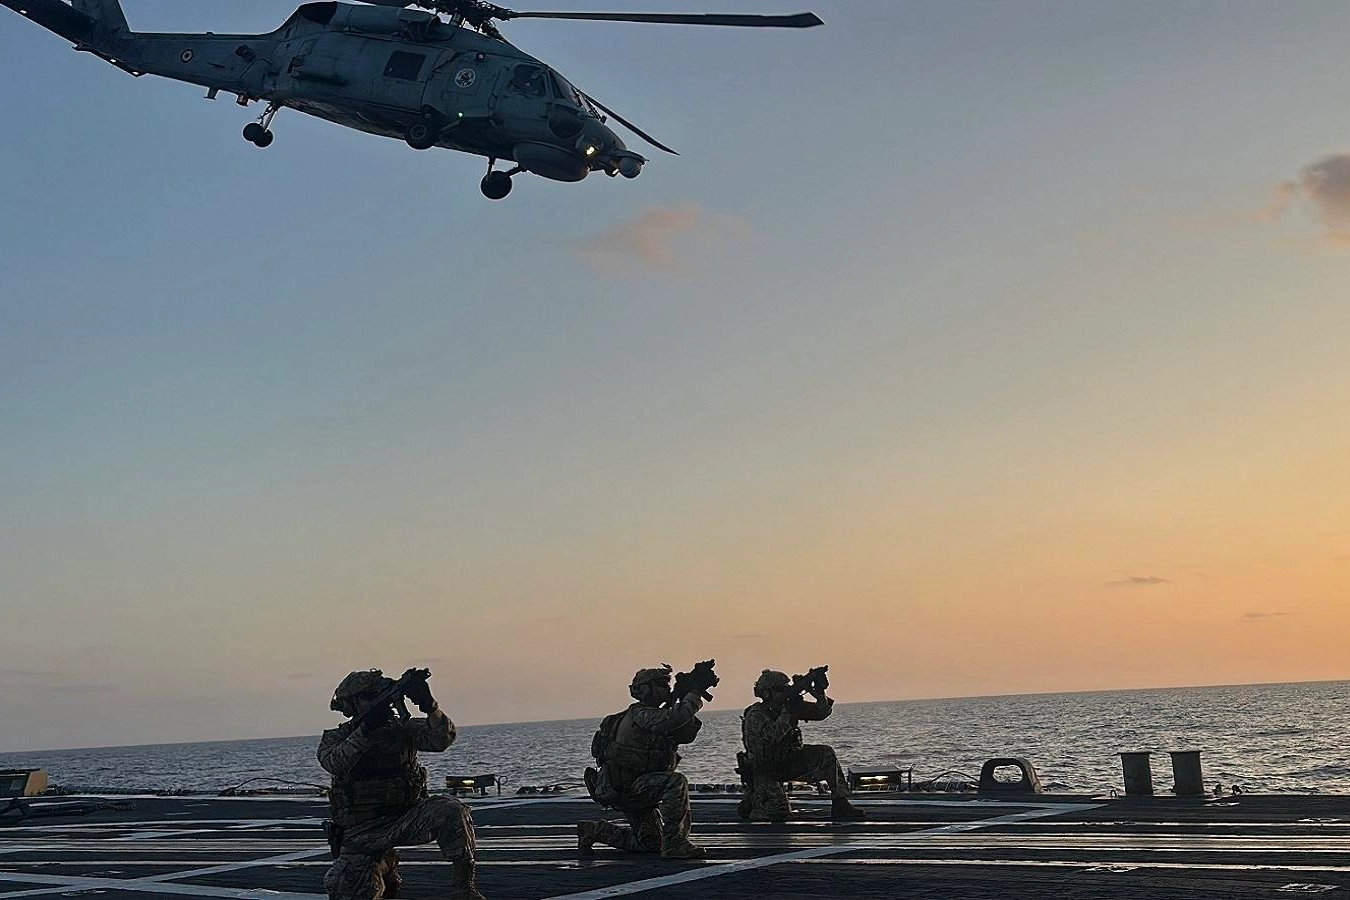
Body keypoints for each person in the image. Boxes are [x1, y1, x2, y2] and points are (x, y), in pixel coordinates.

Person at [318, 669, 485, 900]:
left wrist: (430, 706)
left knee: (453, 810)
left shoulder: (402, 729)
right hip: (363, 831)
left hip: (407, 817)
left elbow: (441, 739)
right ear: (351, 704)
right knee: (348, 890)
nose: (375, 701)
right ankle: (383, 863)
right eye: (368, 697)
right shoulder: (336, 737)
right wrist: (366, 730)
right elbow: (334, 762)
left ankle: (464, 889)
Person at [576, 665, 709, 860]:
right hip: (631, 787)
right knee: (675, 782)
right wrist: (693, 695)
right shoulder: (641, 714)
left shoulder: (652, 715)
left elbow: (685, 734)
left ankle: (593, 831)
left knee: (650, 843)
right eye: (661, 685)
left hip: (638, 787)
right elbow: (672, 719)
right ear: (645, 689)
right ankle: (675, 844)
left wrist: (682, 698)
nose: (666, 689)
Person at [739, 669, 866, 821]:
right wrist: (787, 712)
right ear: (766, 693)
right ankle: (752, 800)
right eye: (780, 689)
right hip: (766, 769)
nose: (784, 692)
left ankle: (840, 803)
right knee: (775, 812)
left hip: (789, 761)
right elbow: (771, 737)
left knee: (825, 753)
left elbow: (820, 713)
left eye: (786, 688)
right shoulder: (756, 714)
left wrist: (819, 694)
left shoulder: (786, 707)